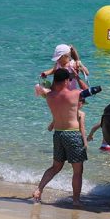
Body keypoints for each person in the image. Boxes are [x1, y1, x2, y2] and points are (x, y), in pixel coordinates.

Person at [33, 68, 87, 206]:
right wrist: (78, 78)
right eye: (69, 80)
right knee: (77, 171)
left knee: (55, 167)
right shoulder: (75, 94)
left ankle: (39, 189)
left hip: (58, 134)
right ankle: (76, 201)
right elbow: (89, 90)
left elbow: (47, 87)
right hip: (73, 134)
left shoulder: (49, 96)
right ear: (65, 81)